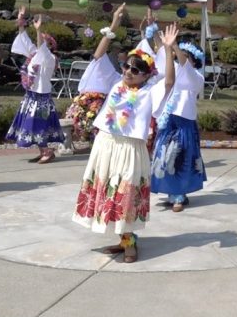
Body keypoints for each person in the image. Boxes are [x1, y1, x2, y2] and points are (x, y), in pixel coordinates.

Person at [72, 23, 178, 263]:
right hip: (106, 143)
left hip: (131, 148)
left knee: (126, 194)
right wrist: (112, 27)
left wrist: (168, 50)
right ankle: (123, 240)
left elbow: (169, 82)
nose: (129, 71)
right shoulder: (115, 84)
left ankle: (129, 241)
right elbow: (98, 58)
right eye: (127, 65)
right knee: (107, 191)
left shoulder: (149, 91)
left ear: (147, 75)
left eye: (136, 69)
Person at [150, 37, 207, 212]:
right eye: (178, 55)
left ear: (194, 60)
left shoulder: (196, 78)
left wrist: (175, 46)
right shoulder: (172, 72)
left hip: (184, 124)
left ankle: (179, 194)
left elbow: (185, 66)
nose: (179, 57)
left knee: (181, 158)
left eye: (185, 55)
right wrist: (160, 39)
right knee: (164, 156)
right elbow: (162, 56)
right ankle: (171, 191)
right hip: (168, 122)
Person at [5, 7, 65, 164]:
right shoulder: (34, 56)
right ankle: (43, 151)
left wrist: (39, 32)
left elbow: (41, 49)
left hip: (41, 97)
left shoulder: (49, 59)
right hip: (32, 95)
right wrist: (21, 21)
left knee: (37, 124)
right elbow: (23, 40)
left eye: (44, 41)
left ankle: (47, 151)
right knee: (32, 124)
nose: (39, 43)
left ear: (49, 46)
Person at [67, 4, 126, 142]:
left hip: (101, 111)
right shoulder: (102, 66)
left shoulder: (120, 78)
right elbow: (100, 52)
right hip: (86, 104)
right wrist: (114, 25)